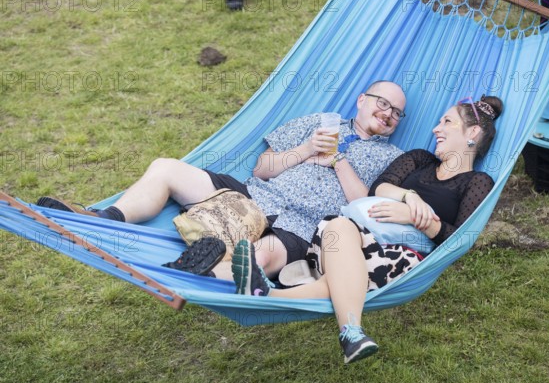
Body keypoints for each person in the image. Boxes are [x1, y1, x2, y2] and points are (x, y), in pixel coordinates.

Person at [37, 81, 406, 280]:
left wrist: (339, 160)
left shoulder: (390, 157)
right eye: (382, 103)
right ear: (361, 99)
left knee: (259, 257)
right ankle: (103, 218)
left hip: (303, 225)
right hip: (254, 193)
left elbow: (360, 206)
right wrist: (308, 148)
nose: (388, 114)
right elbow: (262, 168)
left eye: (396, 114)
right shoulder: (318, 121)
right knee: (166, 167)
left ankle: (202, 272)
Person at [231, 95, 503, 364]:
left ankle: (340, 326)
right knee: (339, 225)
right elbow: (378, 188)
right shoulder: (420, 159)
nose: (436, 128)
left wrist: (415, 217)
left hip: (401, 256)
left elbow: (459, 240)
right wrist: (409, 196)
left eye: (447, 122)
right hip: (350, 236)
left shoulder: (477, 182)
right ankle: (344, 329)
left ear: (473, 132)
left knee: (344, 273)